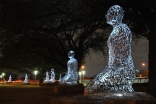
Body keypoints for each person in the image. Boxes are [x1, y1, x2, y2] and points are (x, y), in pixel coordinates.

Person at [85, 5, 135, 95]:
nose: (106, 15)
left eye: (108, 13)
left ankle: (124, 88)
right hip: (113, 68)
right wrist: (107, 72)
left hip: (122, 69)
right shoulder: (117, 29)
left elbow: (123, 56)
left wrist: (111, 71)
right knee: (91, 87)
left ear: (115, 14)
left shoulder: (122, 29)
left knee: (93, 89)